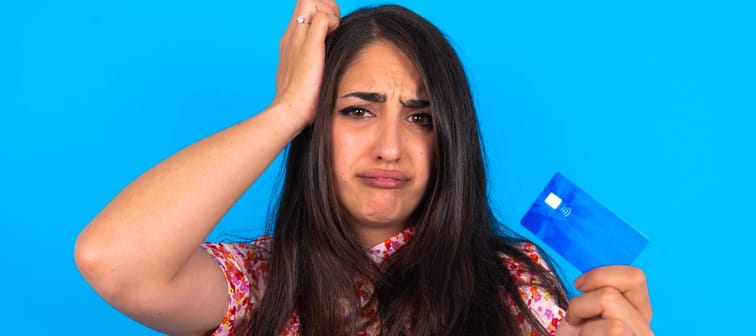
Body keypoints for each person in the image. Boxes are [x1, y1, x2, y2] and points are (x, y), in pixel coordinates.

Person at [74, 1, 654, 335]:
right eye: (357, 111)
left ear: (451, 140)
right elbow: (113, 260)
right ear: (315, 126)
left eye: (421, 118)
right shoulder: (259, 284)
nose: (390, 148)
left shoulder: (512, 284)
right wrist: (284, 111)